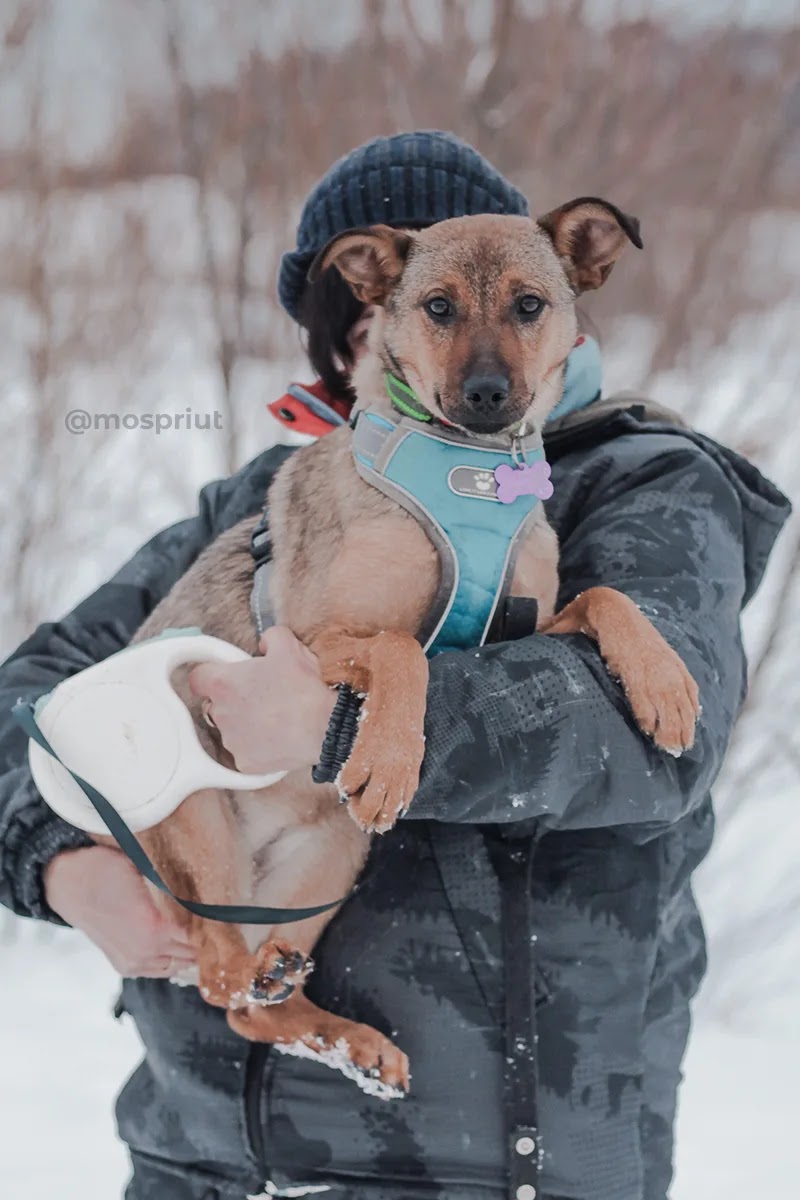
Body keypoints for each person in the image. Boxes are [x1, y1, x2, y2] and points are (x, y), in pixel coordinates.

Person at [0, 132, 790, 1200]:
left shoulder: (641, 481)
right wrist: (59, 858)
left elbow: (646, 744)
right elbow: (32, 693)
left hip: (492, 1167)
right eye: (390, 317)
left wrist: (335, 720)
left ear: (569, 303)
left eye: (518, 307)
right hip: (201, 1162)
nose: (469, 357)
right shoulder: (270, 499)